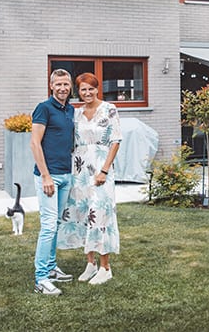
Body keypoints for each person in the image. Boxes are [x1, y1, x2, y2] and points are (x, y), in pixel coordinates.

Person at [58, 72, 122, 285]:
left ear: (97, 89)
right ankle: (90, 263)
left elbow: (115, 141)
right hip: (80, 170)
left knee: (100, 214)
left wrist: (104, 170)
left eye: (91, 89)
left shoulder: (109, 109)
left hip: (101, 169)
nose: (87, 93)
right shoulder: (77, 113)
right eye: (83, 89)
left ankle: (106, 267)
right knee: (84, 213)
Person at [31, 68, 76, 296]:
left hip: (66, 175)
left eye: (66, 84)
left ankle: (50, 268)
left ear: (70, 87)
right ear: (51, 86)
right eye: (58, 84)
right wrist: (46, 175)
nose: (62, 88)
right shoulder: (44, 108)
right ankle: (40, 278)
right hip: (48, 177)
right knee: (48, 227)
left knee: (56, 224)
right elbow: (34, 143)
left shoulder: (70, 110)